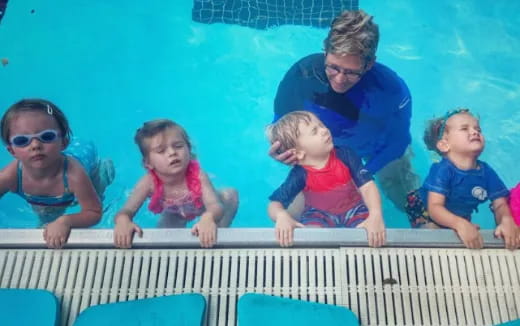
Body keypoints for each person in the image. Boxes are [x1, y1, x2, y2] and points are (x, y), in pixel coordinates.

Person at [270, 10, 419, 212]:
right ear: (325, 52)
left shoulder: (390, 90)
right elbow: (279, 124)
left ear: (369, 64)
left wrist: (361, 175)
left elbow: (398, 142)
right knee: (294, 217)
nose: (339, 79)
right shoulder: (302, 75)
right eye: (333, 67)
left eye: (351, 72)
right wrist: (280, 148)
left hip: (376, 149)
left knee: (405, 199)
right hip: (323, 153)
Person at [0, 98, 115, 248]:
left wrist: (65, 221)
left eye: (47, 137)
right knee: (45, 216)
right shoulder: (12, 175)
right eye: (22, 140)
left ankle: (103, 171)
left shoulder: (74, 175)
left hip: (85, 160)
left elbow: (94, 212)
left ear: (64, 143)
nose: (35, 145)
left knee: (98, 193)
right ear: (11, 150)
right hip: (52, 193)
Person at [266, 111, 386, 248]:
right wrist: (281, 216)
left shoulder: (346, 156)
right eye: (314, 131)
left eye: (321, 125)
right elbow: (275, 204)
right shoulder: (300, 174)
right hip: (318, 213)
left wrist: (375, 214)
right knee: (310, 241)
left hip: (354, 208)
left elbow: (368, 186)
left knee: (368, 234)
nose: (324, 130)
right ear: (298, 153)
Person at [113, 119, 238, 248]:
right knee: (163, 244)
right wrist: (123, 221)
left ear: (189, 150)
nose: (172, 153)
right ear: (148, 163)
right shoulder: (148, 183)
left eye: (178, 146)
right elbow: (126, 210)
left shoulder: (199, 176)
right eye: (161, 151)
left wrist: (208, 218)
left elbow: (214, 205)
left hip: (203, 208)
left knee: (229, 198)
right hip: (174, 212)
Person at [405, 108, 519, 249]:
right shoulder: (442, 170)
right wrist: (460, 224)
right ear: (444, 145)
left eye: (478, 129)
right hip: (425, 208)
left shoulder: (486, 172)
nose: (474, 132)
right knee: (433, 236)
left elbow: (500, 204)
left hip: (458, 212)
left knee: (466, 235)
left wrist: (506, 220)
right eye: (464, 129)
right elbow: (434, 208)